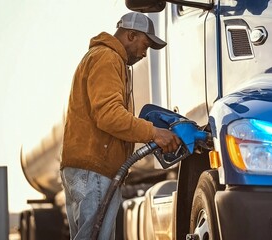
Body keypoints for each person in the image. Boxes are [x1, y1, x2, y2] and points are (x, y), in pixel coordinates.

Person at [60, 12, 181, 240]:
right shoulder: (107, 58)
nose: (145, 54)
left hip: (86, 167)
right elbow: (109, 115)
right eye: (145, 45)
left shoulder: (100, 57)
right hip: (94, 167)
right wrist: (154, 132)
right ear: (131, 35)